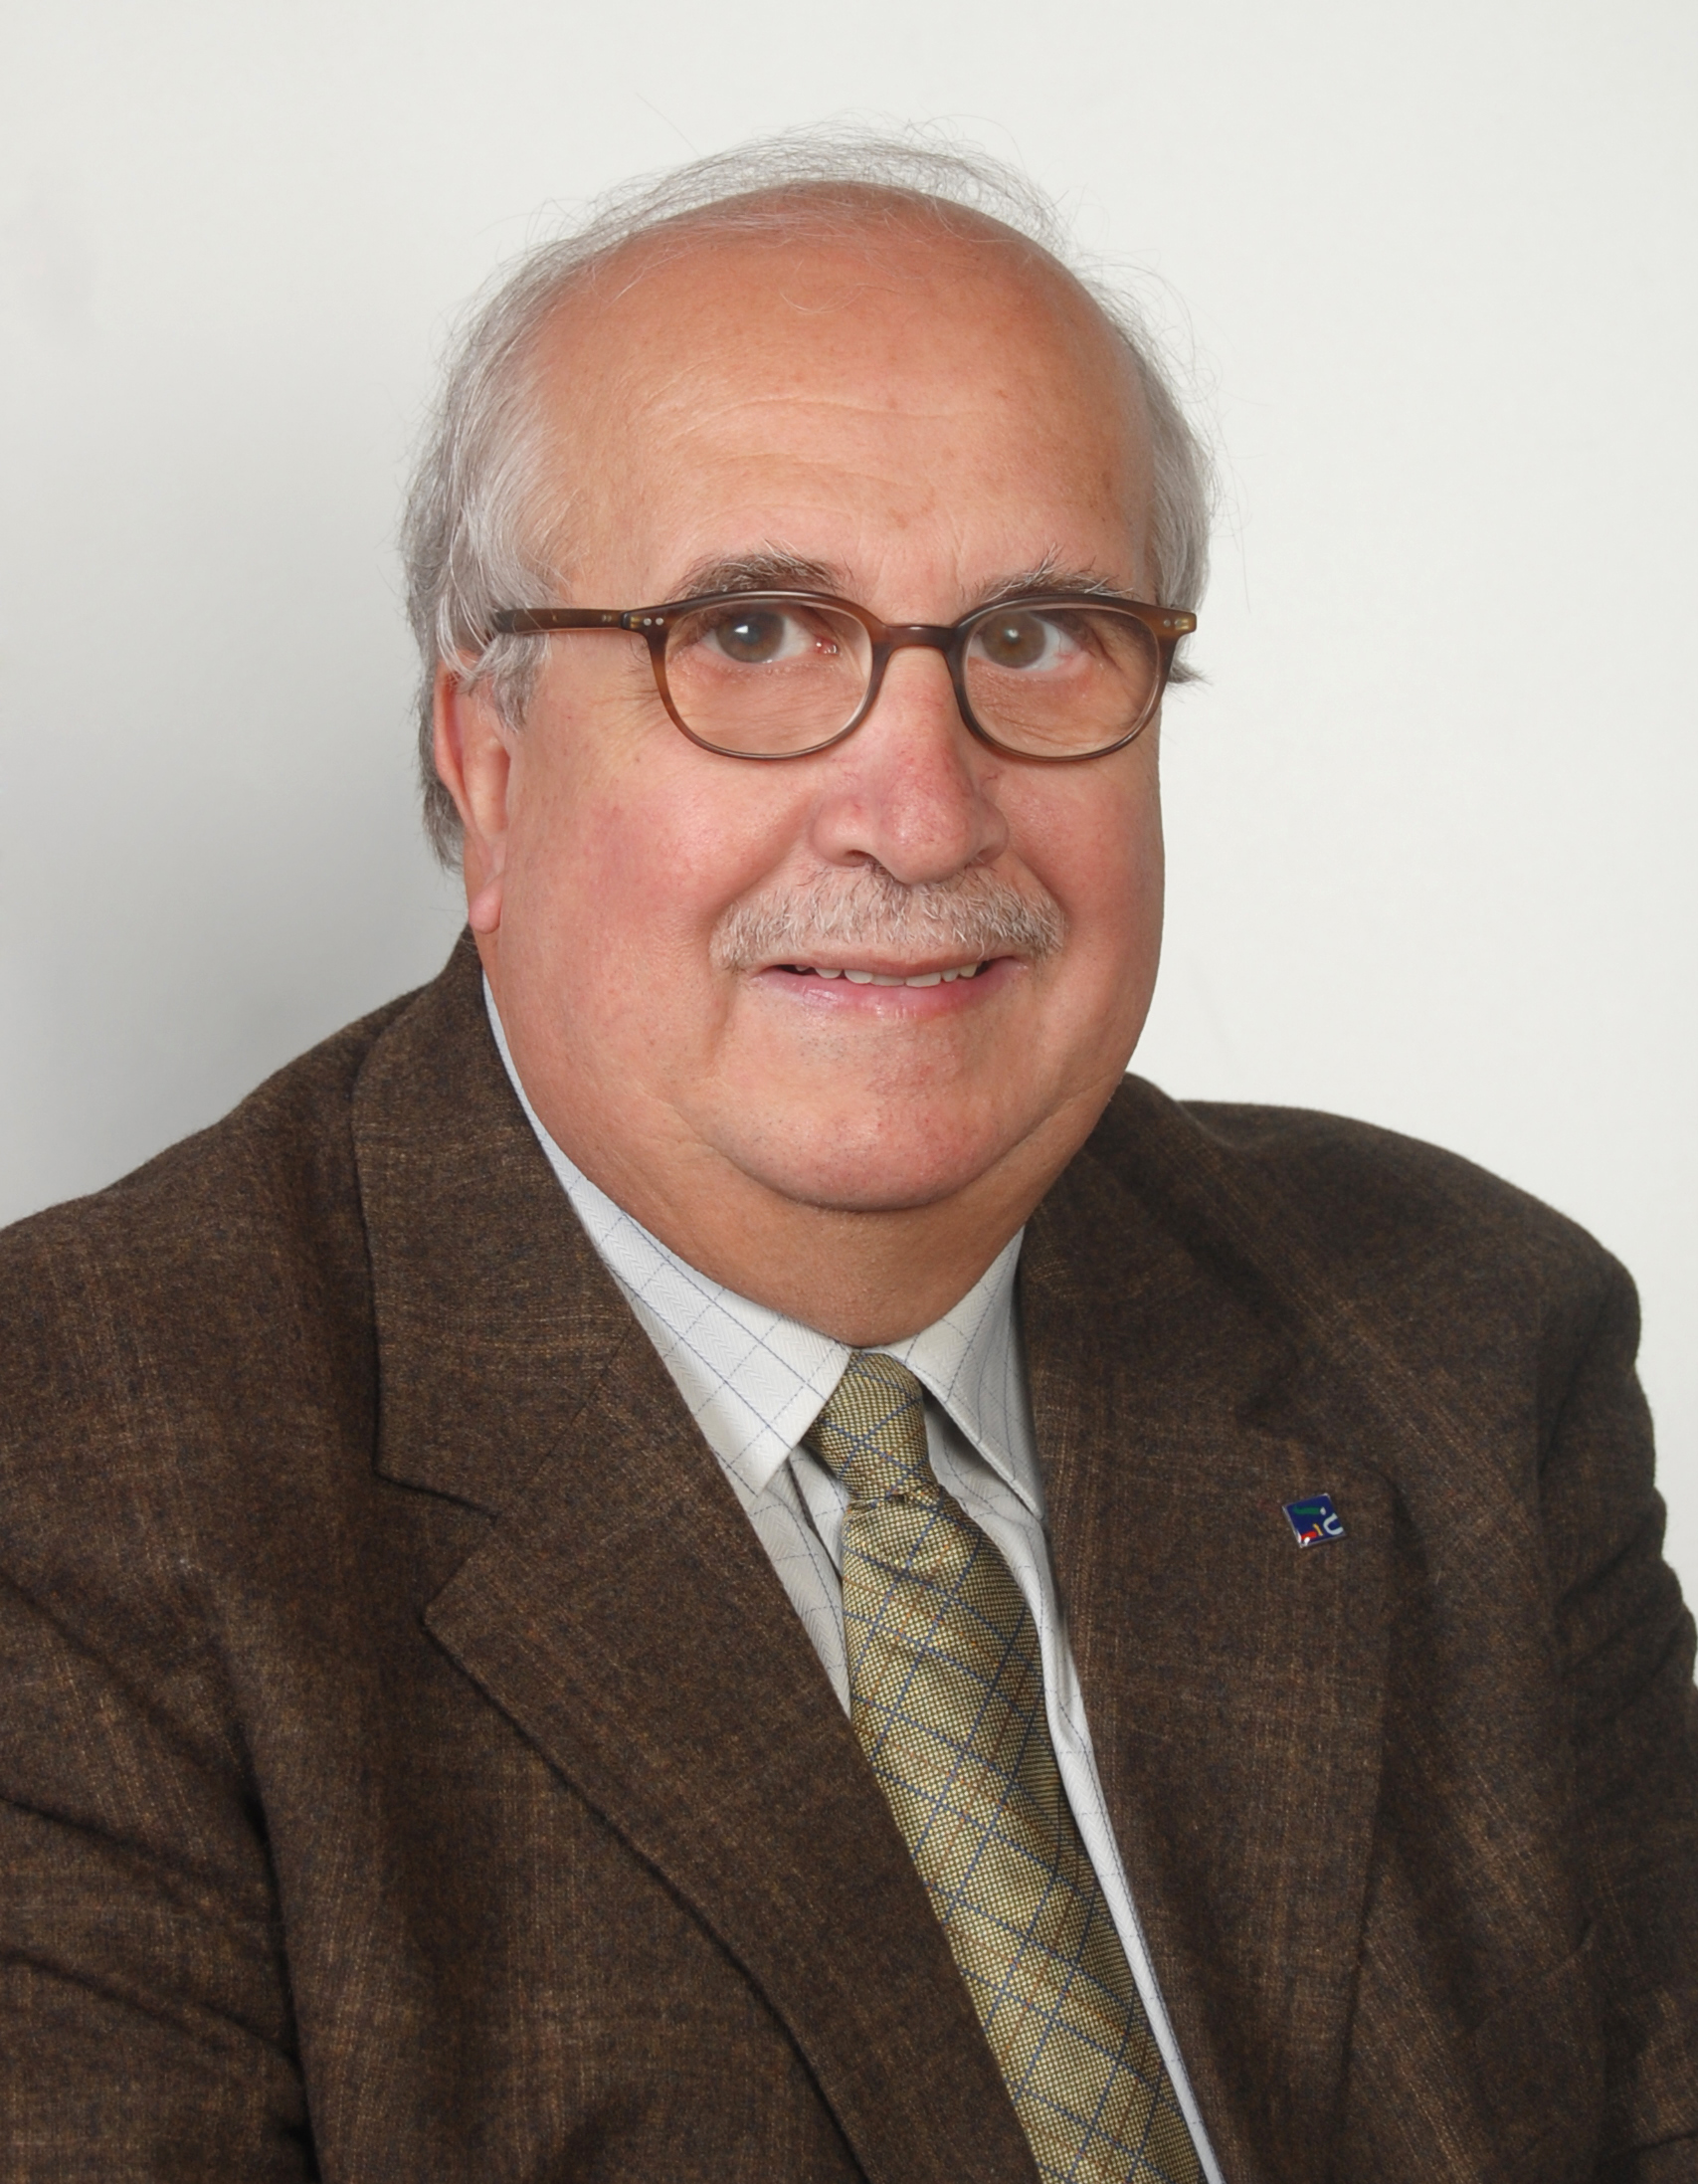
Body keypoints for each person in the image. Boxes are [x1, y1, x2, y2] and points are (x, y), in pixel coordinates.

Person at [1, 131, 1693, 2184]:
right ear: (489, 762)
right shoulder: (77, 1476)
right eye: (749, 636)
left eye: (1038, 635)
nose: (918, 808)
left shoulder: (1461, 1337)